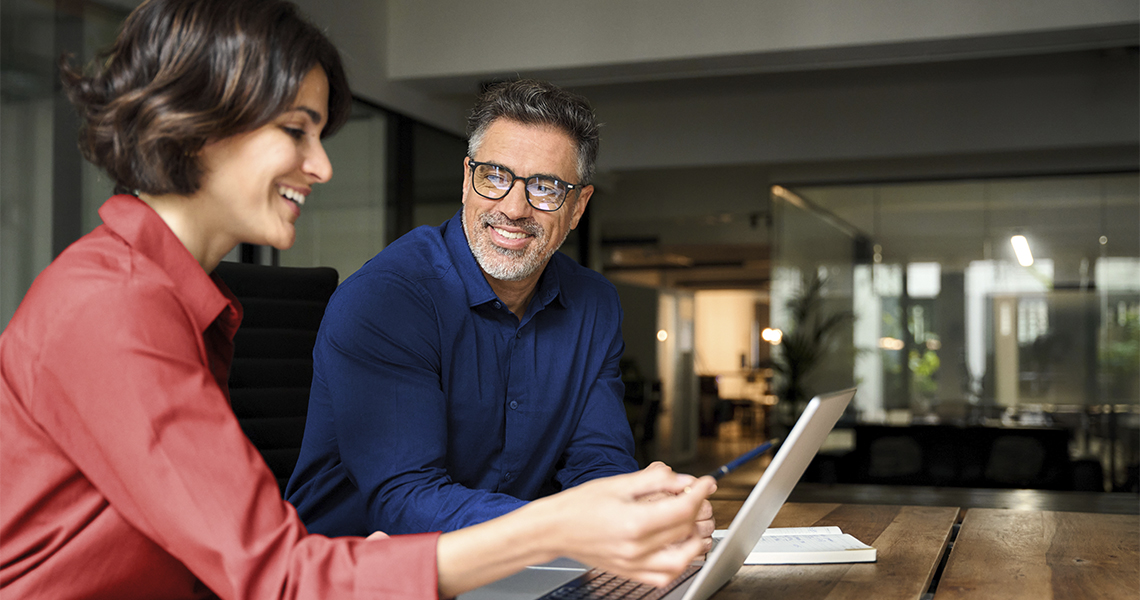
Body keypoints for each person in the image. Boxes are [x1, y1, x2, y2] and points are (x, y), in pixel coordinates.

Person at [0, 1, 716, 598]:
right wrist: (561, 527)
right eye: (295, 131)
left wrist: (603, 517)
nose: (322, 165)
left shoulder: (175, 298)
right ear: (200, 125)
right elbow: (279, 572)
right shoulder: (116, 307)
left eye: (319, 133)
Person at [285, 79, 715, 544]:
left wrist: (638, 506)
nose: (512, 208)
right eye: (494, 175)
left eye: (546, 188)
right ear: (467, 179)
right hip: (358, 573)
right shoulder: (387, 299)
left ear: (577, 207)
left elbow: (597, 460)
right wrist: (572, 526)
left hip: (517, 568)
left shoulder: (594, 304)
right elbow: (406, 502)